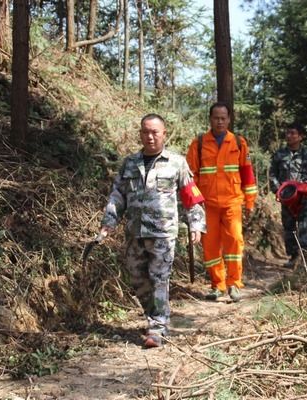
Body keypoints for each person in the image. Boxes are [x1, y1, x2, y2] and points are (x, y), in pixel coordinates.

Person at [99, 113, 206, 348]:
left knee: (159, 279)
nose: (150, 137)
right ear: (140, 134)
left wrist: (196, 224)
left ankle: (157, 328)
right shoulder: (129, 164)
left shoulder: (176, 163)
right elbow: (118, 195)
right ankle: (156, 317)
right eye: (145, 132)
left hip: (163, 234)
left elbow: (191, 196)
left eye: (155, 132)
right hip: (134, 232)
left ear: (164, 134)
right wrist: (109, 221)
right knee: (138, 279)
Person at [186, 102, 258, 302]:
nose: (219, 121)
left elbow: (247, 174)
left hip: (232, 202)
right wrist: (193, 204)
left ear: (229, 119)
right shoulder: (198, 143)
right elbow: (190, 177)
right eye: (216, 117)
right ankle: (217, 284)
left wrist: (250, 201)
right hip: (207, 205)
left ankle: (234, 284)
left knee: (234, 241)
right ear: (210, 119)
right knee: (210, 246)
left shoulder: (238, 142)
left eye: (223, 118)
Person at [269, 123, 307, 268]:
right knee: (289, 227)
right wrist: (277, 190)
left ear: (301, 136)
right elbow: (273, 174)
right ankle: (293, 256)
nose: (289, 136)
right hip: (287, 197)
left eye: (293, 133)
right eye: (288, 133)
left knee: (305, 226)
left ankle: (304, 257)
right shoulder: (279, 154)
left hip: (304, 198)